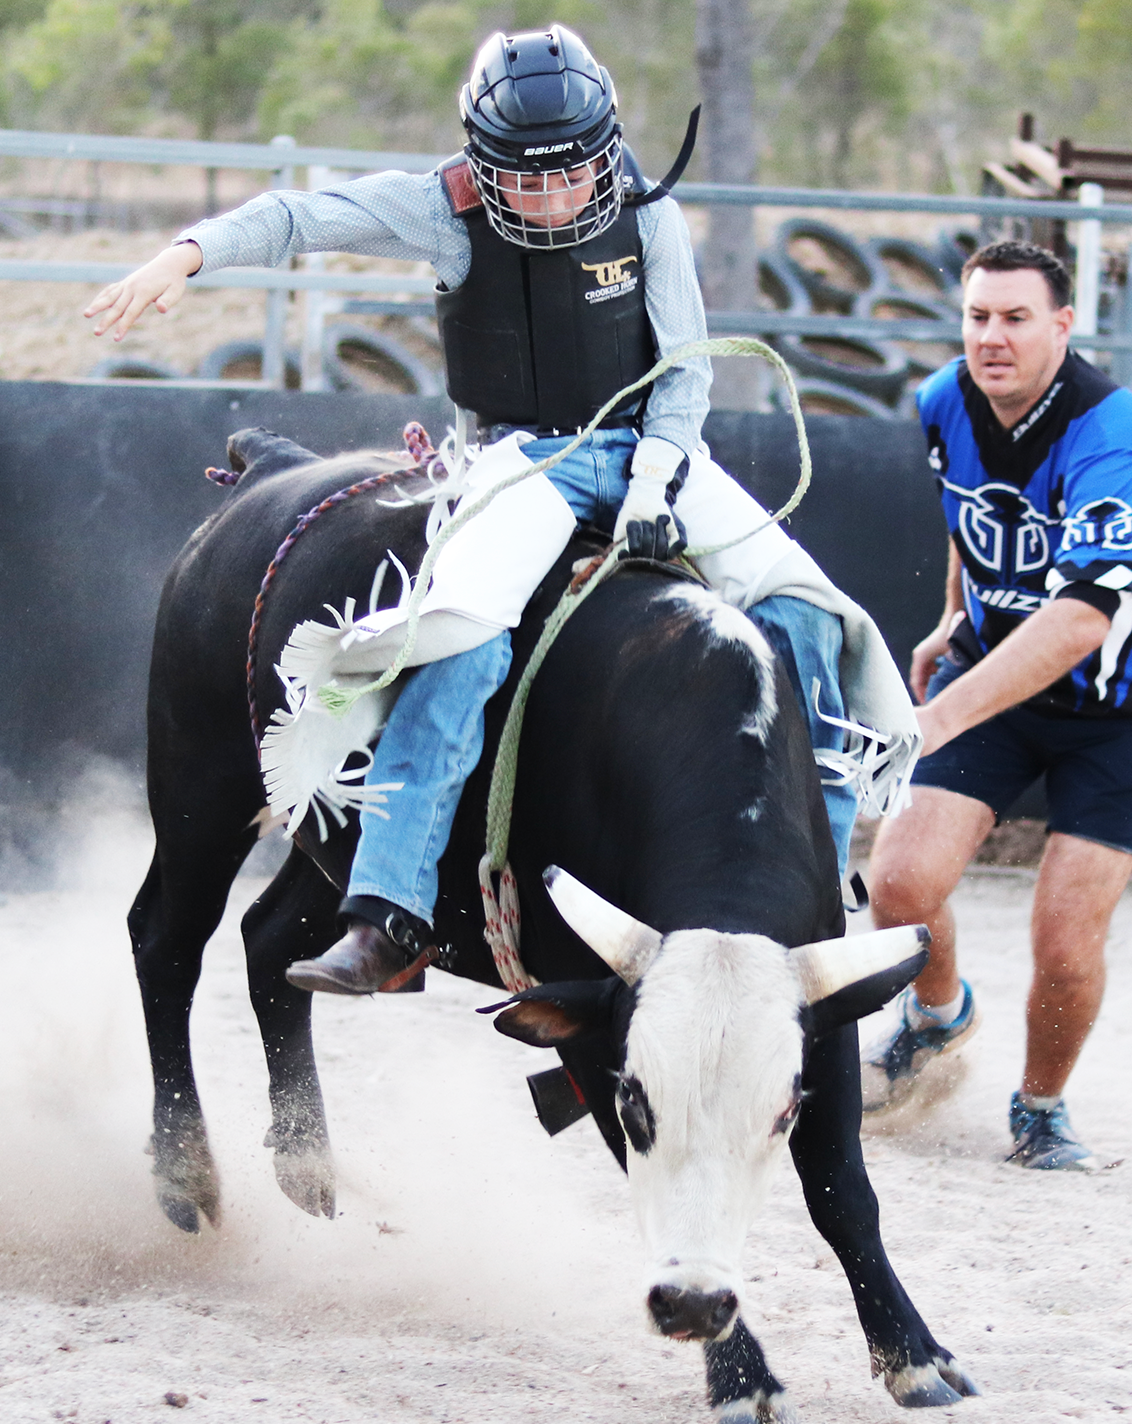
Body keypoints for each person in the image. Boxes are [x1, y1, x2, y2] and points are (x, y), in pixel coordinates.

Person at [86, 24, 878, 993]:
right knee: (461, 636)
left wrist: (650, 487)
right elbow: (306, 217)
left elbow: (685, 379)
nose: (551, 197)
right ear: (481, 165)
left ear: (605, 151)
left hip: (654, 451)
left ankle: (818, 885)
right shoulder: (441, 211)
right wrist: (191, 252)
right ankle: (387, 910)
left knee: (815, 615)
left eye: (571, 173)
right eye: (524, 178)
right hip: (517, 467)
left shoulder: (651, 217)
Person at [860, 240, 1132, 1171]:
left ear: (1062, 324)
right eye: (978, 316)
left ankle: (1041, 1107)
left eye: (1016, 318)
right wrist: (948, 615)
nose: (992, 337)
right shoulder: (943, 401)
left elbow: (1081, 621)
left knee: (1063, 936)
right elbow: (970, 515)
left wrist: (936, 717)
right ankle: (936, 1016)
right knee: (898, 884)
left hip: (1130, 698)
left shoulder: (1109, 426)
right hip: (999, 666)